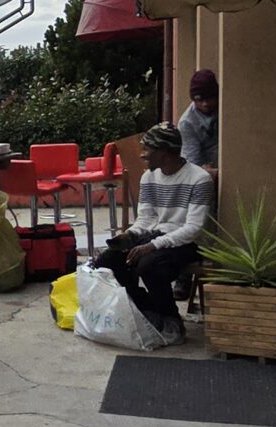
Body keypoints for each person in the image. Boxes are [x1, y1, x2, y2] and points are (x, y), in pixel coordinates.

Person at [90, 120, 214, 339]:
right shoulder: (149, 177)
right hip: (156, 237)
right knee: (106, 262)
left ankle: (171, 319)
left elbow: (194, 228)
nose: (142, 155)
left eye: (147, 149)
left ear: (165, 152)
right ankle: (146, 310)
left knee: (149, 265)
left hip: (188, 243)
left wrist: (152, 245)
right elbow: (146, 217)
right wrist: (131, 234)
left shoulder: (199, 179)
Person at [178, 68, 220, 172]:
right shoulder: (187, 123)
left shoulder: (226, 109)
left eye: (209, 98)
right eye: (199, 100)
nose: (205, 104)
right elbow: (191, 164)